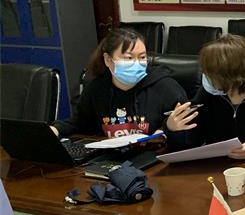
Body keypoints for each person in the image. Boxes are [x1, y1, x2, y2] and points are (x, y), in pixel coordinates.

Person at [51, 28, 187, 138]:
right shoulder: (97, 89)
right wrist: (55, 129)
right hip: (111, 158)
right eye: (129, 58)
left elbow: (186, 132)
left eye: (142, 57)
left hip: (152, 157)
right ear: (108, 60)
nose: (137, 63)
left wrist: (167, 128)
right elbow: (80, 123)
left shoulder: (165, 87)